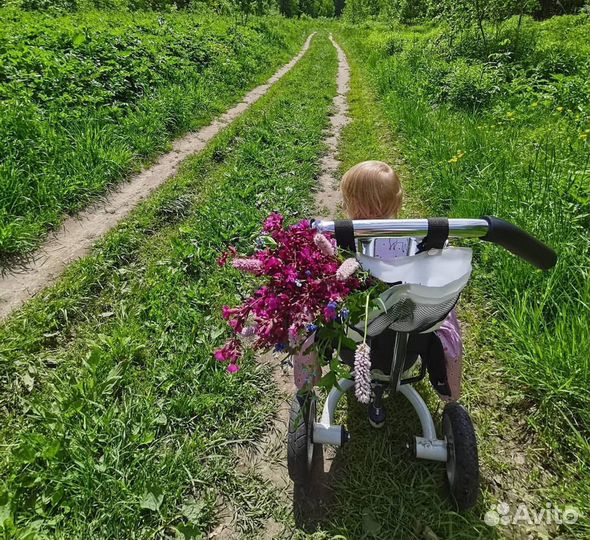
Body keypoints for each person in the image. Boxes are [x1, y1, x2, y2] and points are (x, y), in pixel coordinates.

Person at [294, 160, 462, 402]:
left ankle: (308, 377)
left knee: (307, 313)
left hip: (353, 345)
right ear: (398, 201)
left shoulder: (341, 246)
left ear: (350, 204)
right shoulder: (421, 244)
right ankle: (447, 382)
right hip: (408, 348)